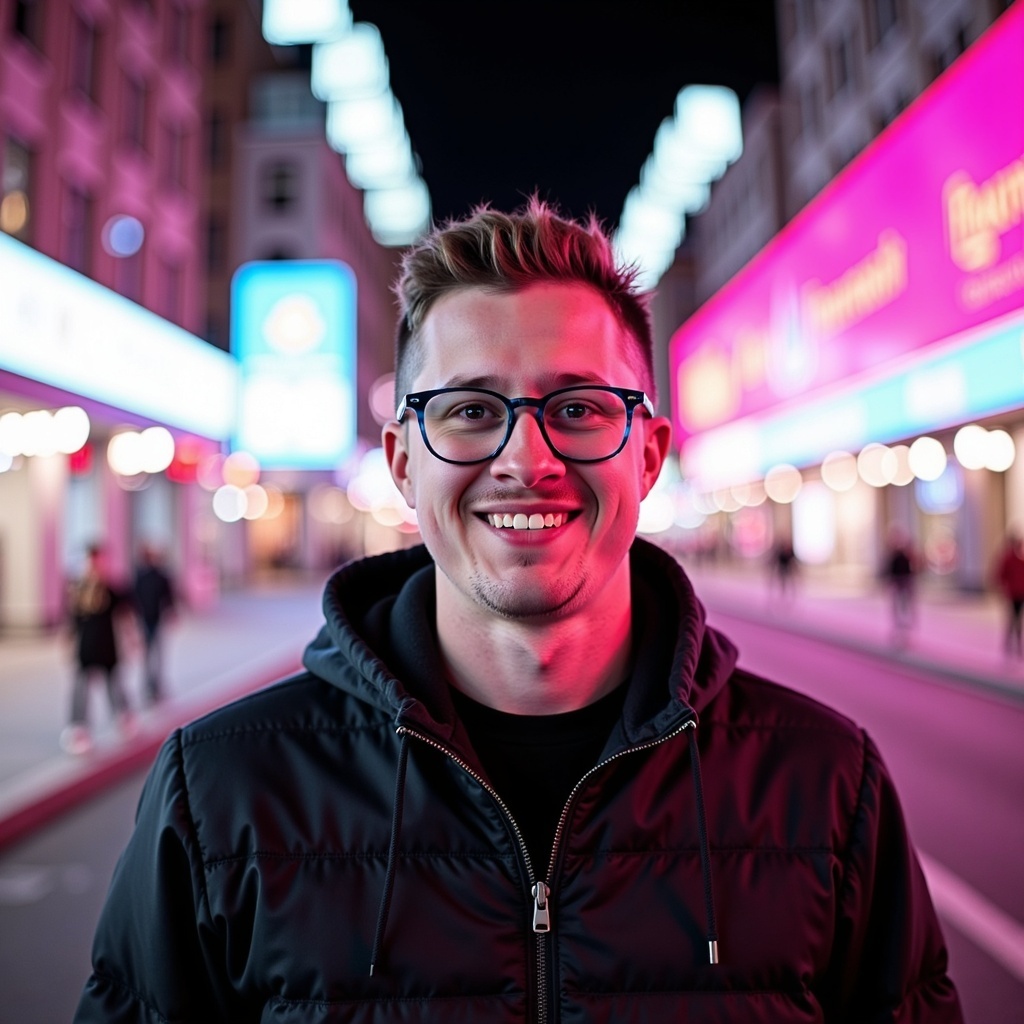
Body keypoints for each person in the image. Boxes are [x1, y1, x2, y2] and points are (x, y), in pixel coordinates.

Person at [74, 201, 962, 1021]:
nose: (525, 459)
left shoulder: (827, 783)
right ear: (403, 462)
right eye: (469, 411)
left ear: (648, 457)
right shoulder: (222, 790)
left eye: (577, 408)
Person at [61, 543, 135, 755]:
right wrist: (68, 641)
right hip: (86, 645)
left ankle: (124, 717)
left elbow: (125, 614)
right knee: (81, 688)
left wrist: (131, 639)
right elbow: (73, 620)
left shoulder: (110, 589)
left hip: (107, 643)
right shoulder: (79, 588)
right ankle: (78, 728)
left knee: (114, 684)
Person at [132, 542, 176, 703]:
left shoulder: (158, 575)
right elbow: (134, 599)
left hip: (154, 619)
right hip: (145, 620)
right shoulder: (141, 576)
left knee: (155, 655)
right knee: (149, 655)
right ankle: (149, 687)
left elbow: (168, 596)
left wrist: (171, 612)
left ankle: (155, 686)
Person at [883, 525, 918, 642]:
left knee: (905, 607)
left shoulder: (906, 552)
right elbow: (889, 570)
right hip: (898, 583)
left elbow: (913, 567)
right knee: (897, 608)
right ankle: (898, 630)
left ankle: (906, 630)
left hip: (906, 582)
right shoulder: (892, 553)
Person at [994, 530, 1024, 657]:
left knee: (1016, 620)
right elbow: (1000, 575)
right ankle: (1010, 645)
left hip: (1019, 593)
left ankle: (1015, 645)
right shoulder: (1009, 558)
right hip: (1013, 593)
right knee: (1014, 620)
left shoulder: (1019, 559)